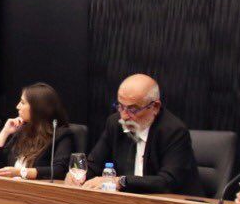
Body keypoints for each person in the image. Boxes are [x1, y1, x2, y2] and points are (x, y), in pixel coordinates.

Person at [69, 73, 200, 195]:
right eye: (120, 106)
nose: (124, 116)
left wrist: (120, 181)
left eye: (133, 109)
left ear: (155, 107)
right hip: (126, 203)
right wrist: (78, 174)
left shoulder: (173, 131)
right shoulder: (115, 123)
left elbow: (168, 182)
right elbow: (94, 164)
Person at [0, 83, 72, 180]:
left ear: (38, 107)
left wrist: (21, 172)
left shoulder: (62, 135)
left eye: (22, 103)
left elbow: (59, 171)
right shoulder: (22, 131)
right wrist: (4, 132)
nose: (17, 106)